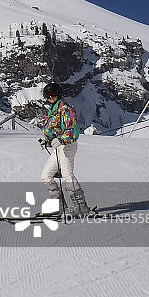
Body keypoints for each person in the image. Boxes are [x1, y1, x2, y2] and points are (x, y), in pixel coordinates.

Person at [38, 82, 91, 217]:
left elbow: (73, 130)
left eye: (53, 94)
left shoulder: (65, 108)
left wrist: (62, 139)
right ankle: (59, 206)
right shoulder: (53, 110)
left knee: (67, 175)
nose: (50, 97)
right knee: (46, 176)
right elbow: (52, 131)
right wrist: (47, 140)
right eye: (47, 95)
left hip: (68, 145)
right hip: (58, 147)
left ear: (59, 94)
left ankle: (80, 206)